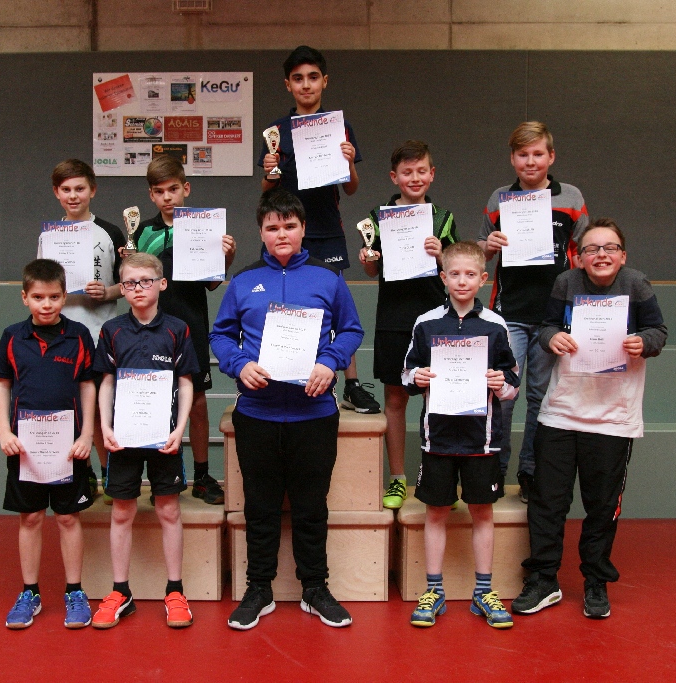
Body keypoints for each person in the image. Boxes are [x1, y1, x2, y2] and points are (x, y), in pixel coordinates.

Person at [210, 189, 364, 630]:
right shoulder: (243, 281)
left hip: (313, 415)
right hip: (257, 414)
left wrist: (329, 362)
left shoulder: (327, 279)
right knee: (260, 508)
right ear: (261, 232)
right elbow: (221, 336)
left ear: (303, 230)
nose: (282, 234)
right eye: (273, 227)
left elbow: (350, 330)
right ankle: (258, 589)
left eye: (290, 226)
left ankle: (315, 588)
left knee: (311, 508)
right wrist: (240, 365)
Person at [512, 218, 667, 620]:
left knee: (601, 505)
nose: (601, 254)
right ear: (579, 257)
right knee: (547, 502)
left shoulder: (636, 284)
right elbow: (546, 327)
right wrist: (551, 337)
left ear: (622, 255)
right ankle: (544, 579)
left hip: (614, 417)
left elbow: (658, 331)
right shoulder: (566, 282)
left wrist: (643, 342)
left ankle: (596, 581)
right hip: (562, 412)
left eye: (609, 248)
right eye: (592, 249)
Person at [401, 241, 519, 629]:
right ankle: (433, 590)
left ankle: (483, 591)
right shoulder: (426, 322)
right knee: (436, 512)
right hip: (436, 439)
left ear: (483, 279)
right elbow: (407, 373)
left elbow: (513, 383)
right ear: (443, 278)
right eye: (455, 274)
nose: (462, 281)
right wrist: (417, 377)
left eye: (470, 274)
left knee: (482, 512)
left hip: (481, 441)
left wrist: (501, 383)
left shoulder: (496, 325)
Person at [259, 44, 380, 415]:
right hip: (286, 229)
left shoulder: (339, 128)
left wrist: (349, 163)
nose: (306, 85)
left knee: (338, 304)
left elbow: (351, 188)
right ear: (288, 85)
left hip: (326, 229)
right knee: (282, 301)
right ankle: (280, 378)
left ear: (324, 81)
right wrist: (269, 169)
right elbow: (267, 189)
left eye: (313, 77)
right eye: (298, 79)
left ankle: (351, 384)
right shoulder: (276, 131)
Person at [477, 122, 589, 503]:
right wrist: (488, 245)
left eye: (538, 153)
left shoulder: (571, 197)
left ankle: (530, 472)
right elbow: (478, 252)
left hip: (552, 318)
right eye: (522, 154)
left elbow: (585, 249)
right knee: (502, 393)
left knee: (541, 397)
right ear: (512, 159)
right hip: (508, 312)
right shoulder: (499, 199)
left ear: (551, 157)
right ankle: (494, 470)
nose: (530, 161)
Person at [91, 253, 198, 629]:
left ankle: (175, 591)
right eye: (130, 283)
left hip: (164, 437)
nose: (138, 288)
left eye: (146, 281)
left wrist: (179, 429)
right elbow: (106, 381)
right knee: (121, 512)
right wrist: (105, 426)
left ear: (162, 284)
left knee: (169, 510)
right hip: (123, 439)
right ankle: (121, 591)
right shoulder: (112, 330)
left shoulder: (177, 329)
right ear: (121, 288)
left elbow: (186, 382)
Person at [0, 259, 97, 630]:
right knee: (31, 517)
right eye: (38, 297)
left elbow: (87, 385)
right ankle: (30, 593)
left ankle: (75, 592)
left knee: (67, 517)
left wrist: (87, 435)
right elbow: (1, 385)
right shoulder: (12, 337)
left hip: (69, 446)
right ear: (25, 298)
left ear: (64, 297)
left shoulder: (79, 335)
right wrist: (4, 432)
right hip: (26, 447)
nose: (46, 304)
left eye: (53, 296)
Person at [128, 156, 236, 505]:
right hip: (150, 329)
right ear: (151, 195)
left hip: (191, 326)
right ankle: (164, 477)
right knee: (157, 400)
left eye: (173, 189)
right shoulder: (142, 233)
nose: (167, 197)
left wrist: (226, 257)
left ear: (185, 188)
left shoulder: (204, 227)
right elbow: (133, 280)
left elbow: (213, 284)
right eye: (159, 191)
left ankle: (202, 477)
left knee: (198, 403)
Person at [357, 140, 457, 510]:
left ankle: (439, 478)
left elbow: (457, 270)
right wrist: (368, 259)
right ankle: (397, 478)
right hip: (393, 320)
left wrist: (442, 255)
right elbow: (372, 270)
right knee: (395, 399)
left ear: (432, 174)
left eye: (421, 171)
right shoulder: (377, 218)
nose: (414, 178)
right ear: (394, 177)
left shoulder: (443, 218)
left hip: (436, 321)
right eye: (407, 172)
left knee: (439, 400)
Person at [42, 159, 127, 495]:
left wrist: (106, 292)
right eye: (66, 190)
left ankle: (110, 473)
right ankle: (84, 473)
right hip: (61, 335)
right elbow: (42, 286)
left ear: (93, 190)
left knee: (101, 410)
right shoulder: (49, 235)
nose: (73, 195)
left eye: (79, 188)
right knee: (70, 408)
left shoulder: (111, 232)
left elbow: (128, 284)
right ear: (56, 193)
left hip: (100, 333)